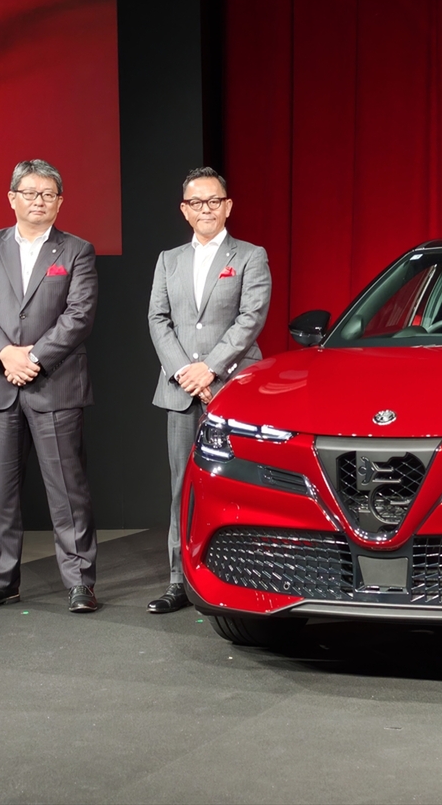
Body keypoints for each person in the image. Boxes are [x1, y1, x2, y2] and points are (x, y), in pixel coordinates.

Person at [0, 159, 100, 613]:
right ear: (12, 198)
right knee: (0, 492)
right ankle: (0, 581)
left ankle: (80, 582)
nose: (38, 201)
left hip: (54, 382)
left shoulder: (77, 250)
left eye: (47, 194)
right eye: (30, 193)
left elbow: (79, 315)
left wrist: (33, 358)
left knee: (68, 490)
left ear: (60, 202)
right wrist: (6, 354)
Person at [146, 167, 271, 613]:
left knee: (239, 485)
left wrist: (210, 370)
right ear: (185, 210)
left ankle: (243, 578)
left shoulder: (250, 256)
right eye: (197, 203)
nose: (206, 209)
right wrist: (186, 371)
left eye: (214, 201)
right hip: (181, 391)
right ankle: (178, 580)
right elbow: (157, 319)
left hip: (232, 390)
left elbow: (251, 319)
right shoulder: (169, 260)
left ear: (227, 206)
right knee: (182, 486)